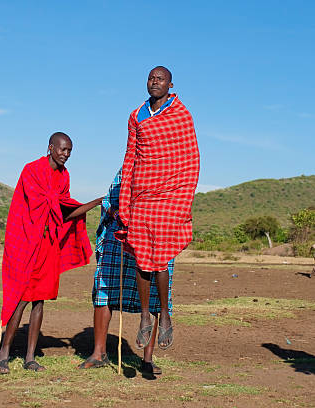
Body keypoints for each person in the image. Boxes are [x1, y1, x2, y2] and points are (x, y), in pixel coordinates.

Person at [0, 132, 102, 374]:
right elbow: (39, 207)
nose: (66, 154)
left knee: (39, 300)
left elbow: (64, 213)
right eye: (63, 149)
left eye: (69, 151)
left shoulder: (64, 177)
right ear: (51, 147)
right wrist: (66, 205)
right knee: (21, 297)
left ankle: (30, 357)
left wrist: (96, 202)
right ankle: (4, 353)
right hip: (27, 241)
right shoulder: (32, 170)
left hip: (48, 245)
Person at [115, 66, 199, 351]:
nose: (154, 82)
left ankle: (165, 314)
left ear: (170, 84)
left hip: (170, 196)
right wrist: (124, 197)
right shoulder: (136, 116)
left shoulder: (181, 115)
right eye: (151, 78)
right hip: (141, 193)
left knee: (160, 259)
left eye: (159, 79)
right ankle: (144, 317)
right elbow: (131, 156)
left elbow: (190, 159)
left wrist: (183, 199)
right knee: (141, 256)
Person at [79, 168, 174, 375]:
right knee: (105, 288)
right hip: (121, 231)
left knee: (156, 294)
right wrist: (118, 214)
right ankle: (99, 353)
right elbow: (110, 201)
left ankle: (147, 360)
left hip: (156, 233)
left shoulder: (168, 169)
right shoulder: (128, 169)